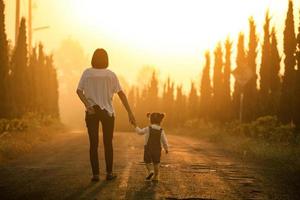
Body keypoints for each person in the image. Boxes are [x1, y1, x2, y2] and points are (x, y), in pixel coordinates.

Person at [76, 48, 136, 182]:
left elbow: (79, 91)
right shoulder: (111, 75)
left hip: (92, 112)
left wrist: (88, 105)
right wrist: (130, 113)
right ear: (106, 59)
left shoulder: (87, 73)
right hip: (107, 113)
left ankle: (95, 175)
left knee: (93, 144)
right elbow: (121, 94)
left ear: (93, 58)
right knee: (108, 143)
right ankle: (109, 173)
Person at [134, 112, 169, 182]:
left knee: (147, 162)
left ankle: (150, 171)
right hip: (157, 149)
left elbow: (140, 132)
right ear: (160, 120)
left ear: (150, 120)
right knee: (156, 163)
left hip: (148, 148)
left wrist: (135, 126)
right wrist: (166, 148)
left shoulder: (148, 128)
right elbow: (164, 140)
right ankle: (156, 177)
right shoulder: (161, 130)